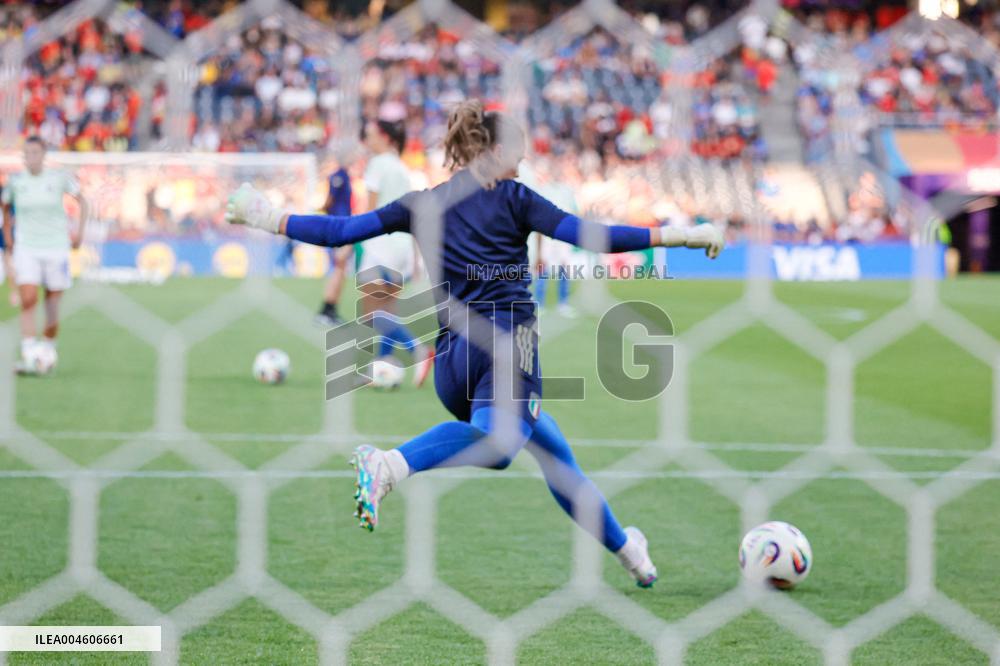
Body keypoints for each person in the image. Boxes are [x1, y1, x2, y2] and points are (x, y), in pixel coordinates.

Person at [225, 100, 724, 587]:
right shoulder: (516, 198)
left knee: (553, 454)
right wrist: (679, 235)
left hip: (453, 365)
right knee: (502, 442)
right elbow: (591, 236)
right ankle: (390, 465)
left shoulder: (423, 202)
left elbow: (341, 231)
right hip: (510, 348)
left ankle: (629, 551)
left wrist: (267, 217)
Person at [1, 136, 88, 374]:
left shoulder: (59, 179)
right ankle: (30, 353)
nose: (31, 157)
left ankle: (48, 349)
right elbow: (5, 206)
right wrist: (7, 234)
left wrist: (79, 232)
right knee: (28, 299)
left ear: (43, 155)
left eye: (35, 153)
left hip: (56, 247)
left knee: (52, 304)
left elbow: (83, 201)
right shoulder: (16, 181)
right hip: (26, 247)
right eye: (27, 153)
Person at [315, 158, 355, 327]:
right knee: (339, 265)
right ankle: (327, 310)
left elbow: (329, 201)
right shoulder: (339, 176)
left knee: (341, 267)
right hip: (339, 226)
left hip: (340, 224)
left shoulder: (341, 176)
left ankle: (330, 309)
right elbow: (331, 200)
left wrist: (320, 208)